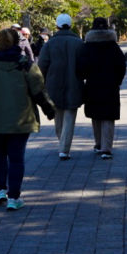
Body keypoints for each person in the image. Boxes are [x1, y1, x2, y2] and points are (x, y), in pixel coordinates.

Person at [0, 27, 54, 210]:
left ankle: (0, 189)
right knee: (16, 158)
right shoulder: (24, 63)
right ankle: (14, 197)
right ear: (17, 42)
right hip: (20, 118)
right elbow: (38, 89)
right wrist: (49, 109)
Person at [77, 16, 127, 159]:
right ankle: (106, 148)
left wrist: (84, 78)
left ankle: (98, 144)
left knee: (96, 115)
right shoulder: (113, 46)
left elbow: (81, 67)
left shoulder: (87, 47)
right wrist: (118, 80)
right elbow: (121, 66)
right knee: (108, 116)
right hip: (110, 85)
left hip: (93, 85)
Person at [38, 12, 85, 160]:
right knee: (70, 117)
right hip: (74, 84)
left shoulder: (50, 44)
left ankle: (62, 144)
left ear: (57, 26)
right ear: (70, 25)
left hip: (53, 85)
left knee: (58, 118)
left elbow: (42, 66)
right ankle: (64, 148)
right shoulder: (79, 43)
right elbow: (84, 67)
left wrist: (42, 83)